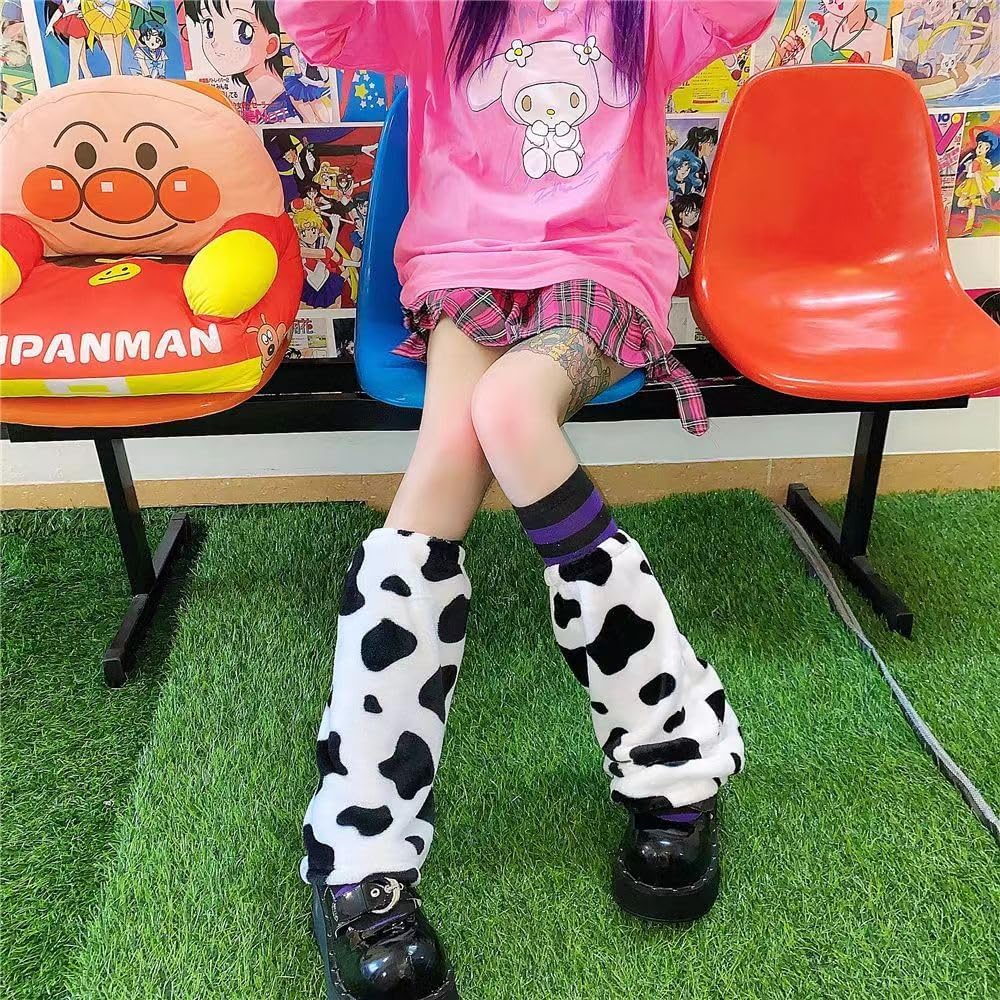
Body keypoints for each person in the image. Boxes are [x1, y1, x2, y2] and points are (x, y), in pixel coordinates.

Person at [275, 3, 776, 998]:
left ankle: (669, 758)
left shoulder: (642, 17)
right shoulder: (438, 14)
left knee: (510, 408)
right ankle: (362, 842)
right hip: (464, 274)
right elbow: (321, 27)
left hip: (601, 272)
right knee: (446, 458)